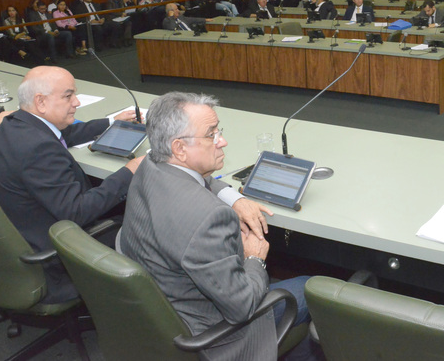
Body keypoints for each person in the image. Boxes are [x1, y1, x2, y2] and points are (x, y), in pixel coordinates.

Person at [119, 92, 319, 361]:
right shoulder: (208, 218)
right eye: (211, 135)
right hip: (215, 334)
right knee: (313, 289)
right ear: (179, 148)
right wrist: (255, 259)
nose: (222, 141)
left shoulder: (150, 164)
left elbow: (197, 177)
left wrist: (235, 198)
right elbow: (242, 307)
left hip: (164, 309)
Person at [0, 66, 144, 303]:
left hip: (25, 231)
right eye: (68, 96)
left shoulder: (16, 124)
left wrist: (111, 122)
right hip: (57, 252)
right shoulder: (38, 149)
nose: (77, 102)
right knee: (145, 220)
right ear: (41, 102)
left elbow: (62, 134)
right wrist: (128, 172)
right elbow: (76, 212)